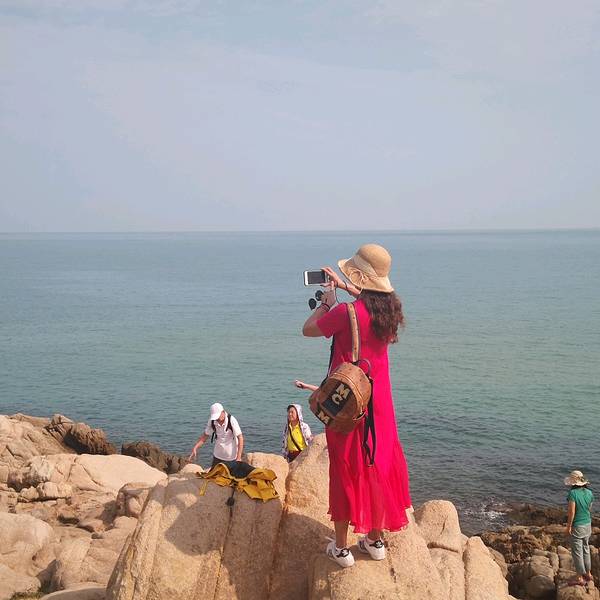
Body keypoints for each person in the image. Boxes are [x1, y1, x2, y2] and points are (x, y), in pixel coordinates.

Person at [302, 243, 412, 568]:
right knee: (377, 466)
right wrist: (346, 287)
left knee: (345, 468)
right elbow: (366, 304)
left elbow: (307, 330)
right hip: (380, 405)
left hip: (348, 404)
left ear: (359, 277)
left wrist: (326, 303)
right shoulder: (388, 314)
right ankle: (375, 540)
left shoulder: (344, 313)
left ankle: (341, 548)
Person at [188, 402, 244, 469]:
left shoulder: (231, 420)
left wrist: (239, 457)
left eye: (217, 416)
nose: (217, 419)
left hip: (231, 457)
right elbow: (205, 436)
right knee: (214, 474)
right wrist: (195, 447)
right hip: (217, 455)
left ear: (223, 412)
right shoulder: (212, 421)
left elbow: (240, 438)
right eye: (215, 417)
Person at [564, 470, 594, 586]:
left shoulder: (573, 494)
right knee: (586, 549)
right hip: (588, 524)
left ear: (573, 483)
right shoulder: (589, 493)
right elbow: (589, 509)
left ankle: (579, 578)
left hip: (577, 526)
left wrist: (568, 527)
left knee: (577, 553)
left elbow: (571, 512)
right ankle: (588, 574)